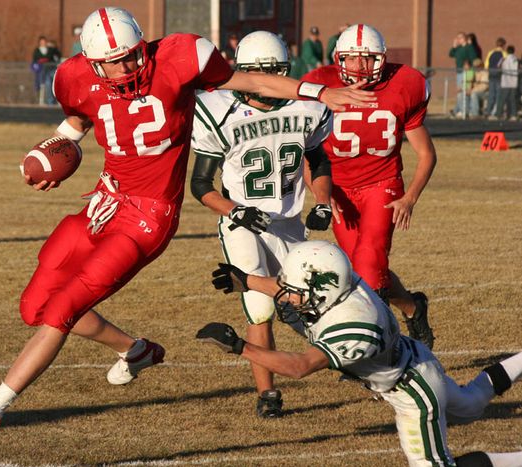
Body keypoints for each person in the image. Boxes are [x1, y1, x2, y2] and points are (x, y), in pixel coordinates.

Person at [0, 6, 375, 452]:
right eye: (117, 61)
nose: (129, 67)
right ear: (93, 63)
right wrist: (55, 149)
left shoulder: (180, 57)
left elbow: (253, 82)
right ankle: (137, 350)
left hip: (148, 217)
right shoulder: (72, 76)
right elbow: (78, 120)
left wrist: (319, 93)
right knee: (35, 306)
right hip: (104, 201)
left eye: (133, 55)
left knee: (62, 309)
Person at [199, 240, 522, 467]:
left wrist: (241, 346)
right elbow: (301, 289)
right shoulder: (343, 286)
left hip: (411, 389)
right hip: (416, 361)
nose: (287, 297)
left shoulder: (355, 326)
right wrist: (249, 281)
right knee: (473, 402)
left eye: (295, 293)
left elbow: (299, 367)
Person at [191, 31, 333, 418]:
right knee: (258, 306)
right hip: (243, 223)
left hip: (287, 221)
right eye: (261, 73)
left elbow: (318, 161)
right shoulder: (217, 109)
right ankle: (267, 393)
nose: (271, 83)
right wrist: (234, 210)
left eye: (277, 72)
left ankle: (344, 357)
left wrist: (323, 202)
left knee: (311, 297)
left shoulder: (306, 107)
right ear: (243, 73)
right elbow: (200, 185)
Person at [302, 24, 437, 349]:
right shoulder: (321, 85)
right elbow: (308, 153)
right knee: (362, 272)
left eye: (368, 59)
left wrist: (409, 198)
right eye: (352, 59)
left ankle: (379, 351)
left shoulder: (405, 84)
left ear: (381, 59)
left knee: (368, 264)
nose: (360, 67)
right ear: (339, 58)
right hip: (340, 190)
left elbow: (426, 154)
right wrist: (323, 194)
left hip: (383, 185)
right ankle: (412, 307)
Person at [449, 32, 478, 117]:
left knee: (464, 91)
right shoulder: (458, 48)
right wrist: (454, 46)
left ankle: (464, 110)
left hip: (466, 72)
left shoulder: (469, 47)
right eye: (457, 38)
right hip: (459, 72)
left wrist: (469, 66)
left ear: (465, 38)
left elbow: (474, 58)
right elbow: (451, 54)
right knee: (459, 92)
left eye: (460, 38)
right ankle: (459, 110)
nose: (458, 39)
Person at [484, 38, 507, 118]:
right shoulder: (504, 54)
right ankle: (496, 112)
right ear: (503, 45)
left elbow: (486, 65)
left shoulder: (491, 52)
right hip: (499, 76)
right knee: (498, 95)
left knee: (491, 94)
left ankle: (488, 111)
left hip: (491, 75)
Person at [495, 45, 518, 121]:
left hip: (505, 82)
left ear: (507, 51)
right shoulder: (516, 60)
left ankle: (498, 114)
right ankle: (513, 115)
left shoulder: (503, 59)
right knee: (513, 99)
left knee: (502, 99)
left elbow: (498, 66)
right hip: (514, 82)